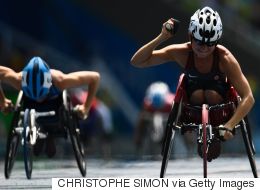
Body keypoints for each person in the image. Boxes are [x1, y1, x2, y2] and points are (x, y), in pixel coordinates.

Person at [131, 7, 254, 159]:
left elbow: (248, 97)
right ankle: (200, 136)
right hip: (192, 107)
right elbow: (137, 61)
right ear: (190, 36)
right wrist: (162, 37)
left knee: (211, 94)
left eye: (210, 44)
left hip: (220, 107)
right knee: (197, 94)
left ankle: (215, 135)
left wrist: (229, 125)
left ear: (217, 41)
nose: (204, 48)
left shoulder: (225, 58)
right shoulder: (181, 52)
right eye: (199, 42)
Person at [0, 56, 100, 157]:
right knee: (41, 151)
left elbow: (95, 77)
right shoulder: (18, 80)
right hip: (30, 106)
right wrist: (2, 101)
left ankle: (49, 133)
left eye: (41, 95)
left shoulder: (60, 81)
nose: (38, 100)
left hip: (54, 106)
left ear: (49, 83)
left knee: (49, 150)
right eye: (35, 96)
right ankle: (42, 129)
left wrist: (85, 108)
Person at [134, 81, 175, 156]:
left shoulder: (170, 102)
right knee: (141, 120)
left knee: (181, 118)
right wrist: (139, 136)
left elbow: (178, 113)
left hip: (167, 111)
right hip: (152, 112)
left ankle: (189, 141)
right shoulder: (147, 104)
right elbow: (142, 116)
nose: (158, 110)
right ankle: (138, 141)